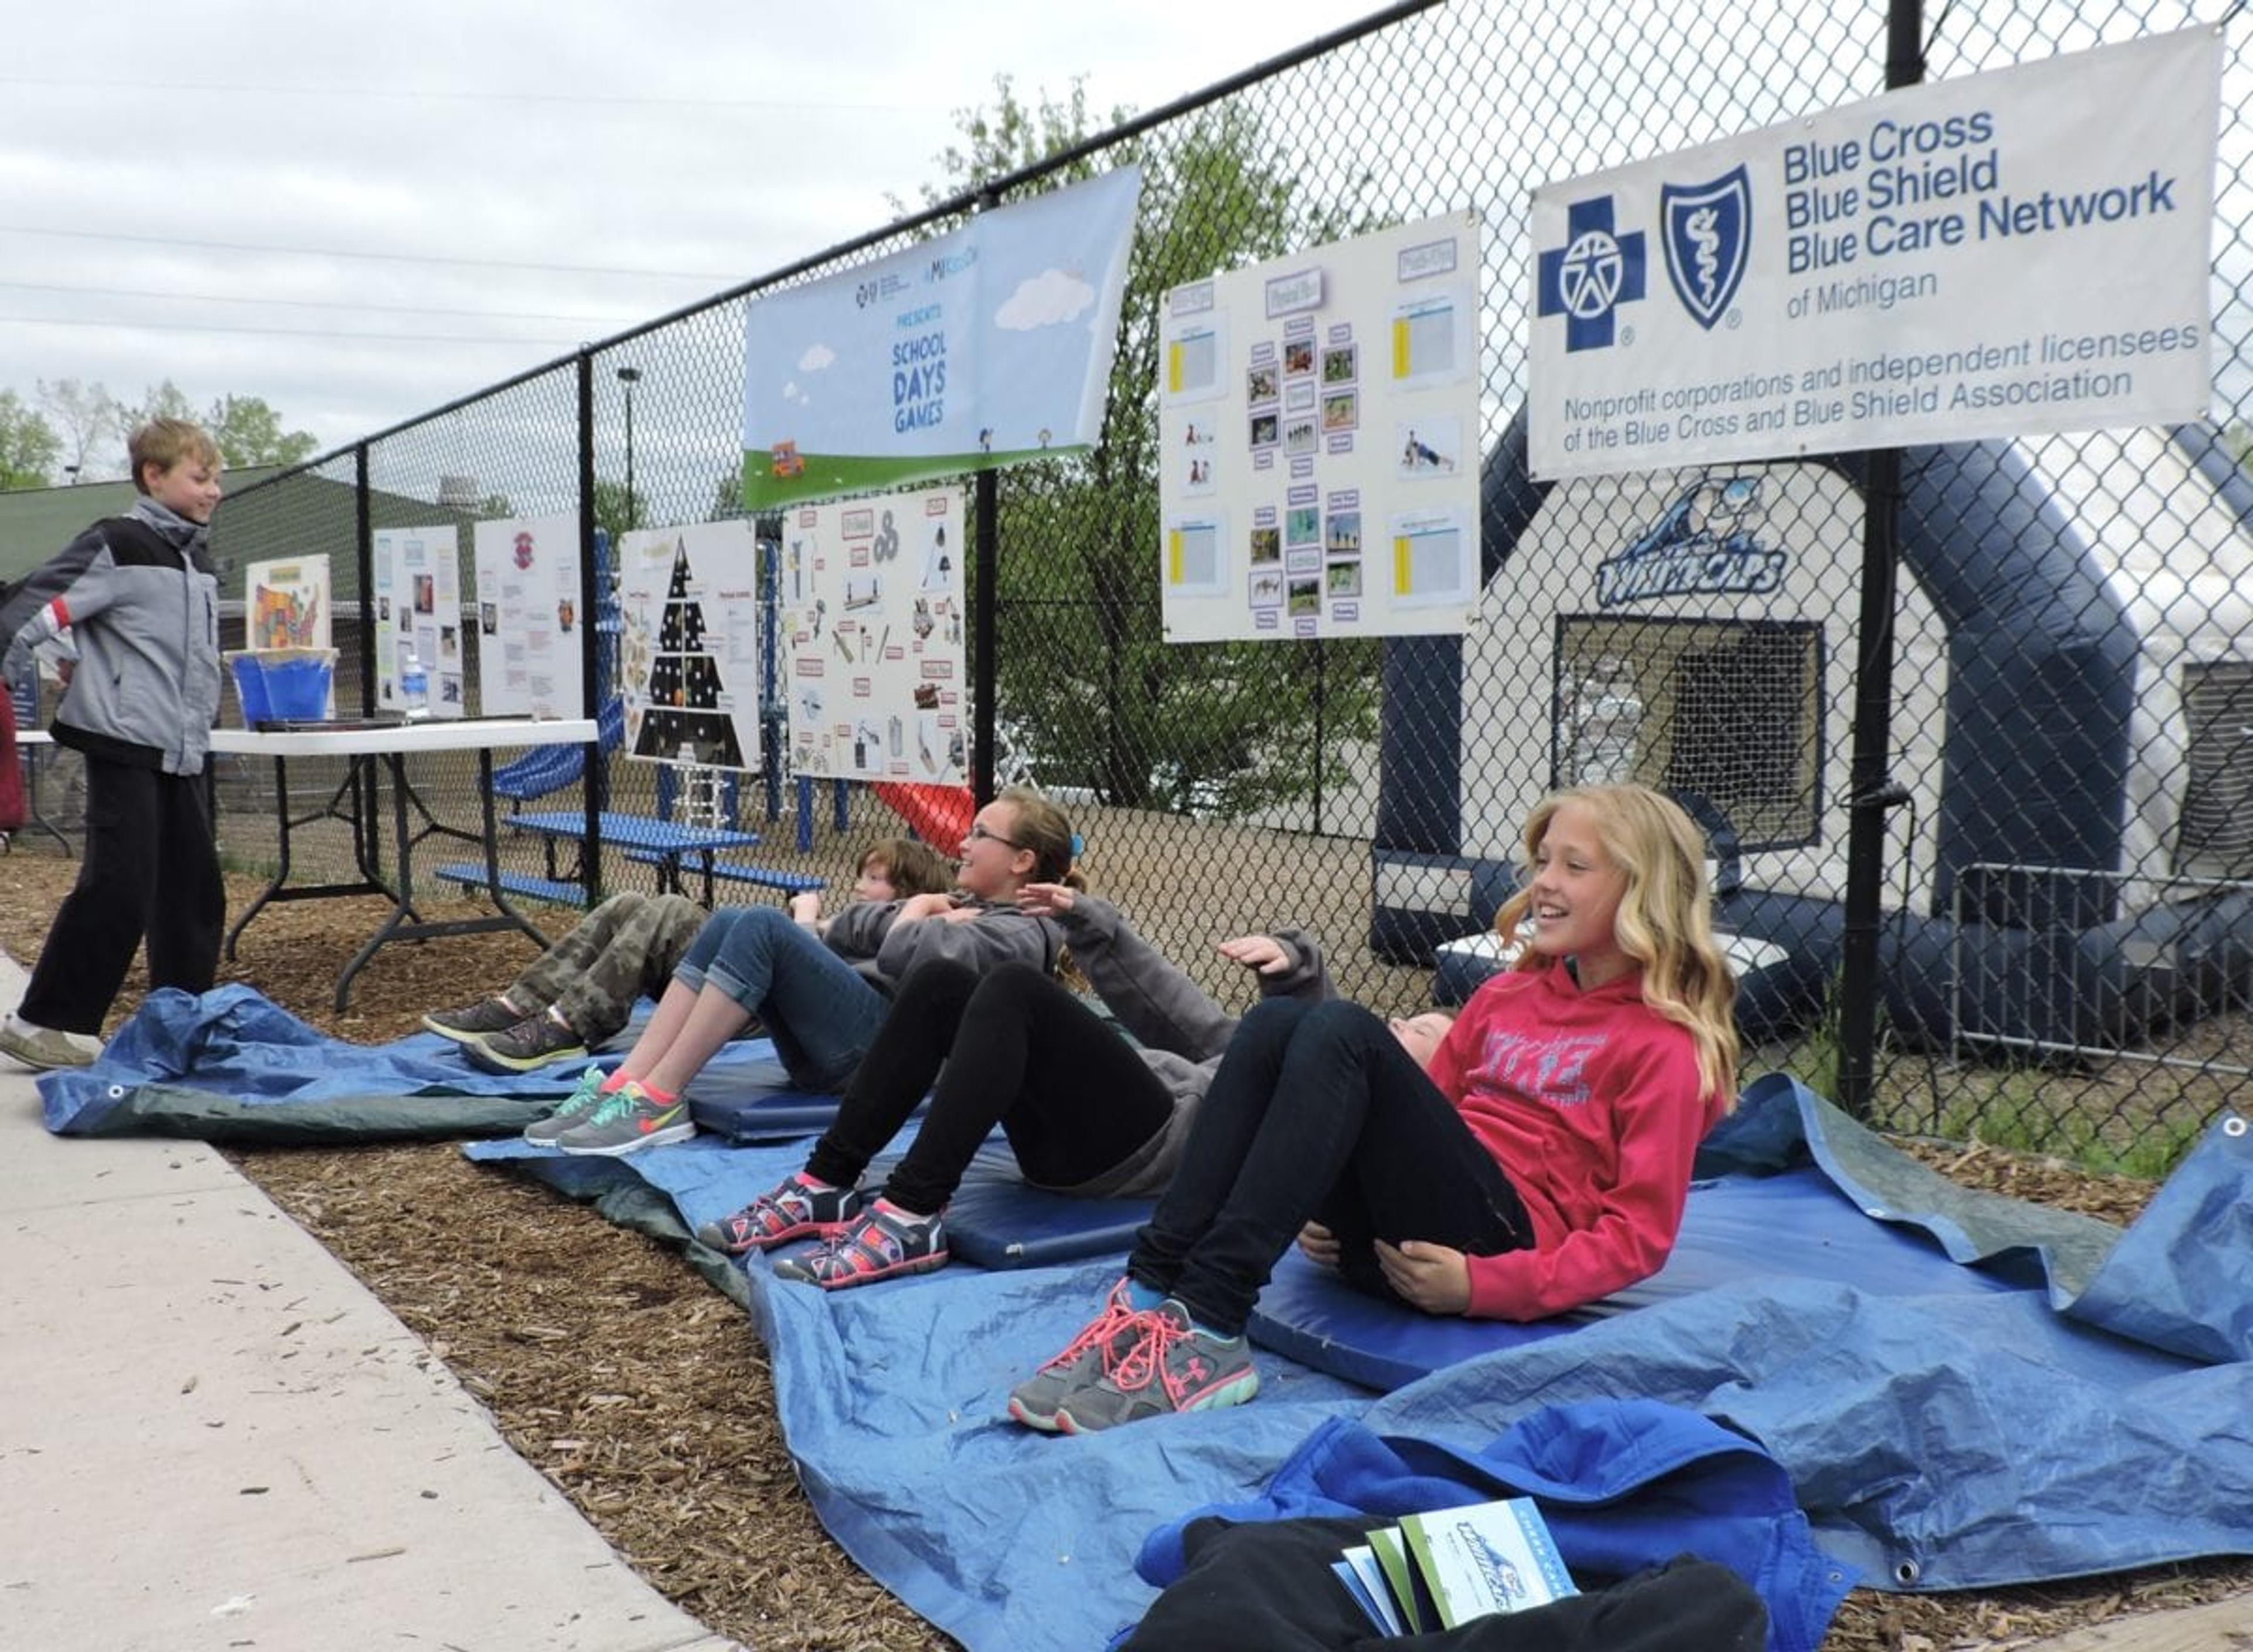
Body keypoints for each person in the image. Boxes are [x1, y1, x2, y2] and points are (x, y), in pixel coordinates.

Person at [1007, 783, 1740, 1434]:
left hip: (1487, 1247)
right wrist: (1324, 1202)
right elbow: (1431, 1111)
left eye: (1574, 867)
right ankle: (1148, 1292)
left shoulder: (1665, 1043)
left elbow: (1638, 1236)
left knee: (1342, 1027)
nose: (1543, 882)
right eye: (1542, 860)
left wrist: (1485, 1285)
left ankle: (1213, 1319)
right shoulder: (1509, 994)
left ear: (1645, 890)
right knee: (1272, 1025)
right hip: (1390, 1248)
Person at [701, 884, 1456, 1289]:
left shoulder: (1354, 1114)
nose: (1395, 1018)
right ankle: (829, 1179)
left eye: (1418, 1029)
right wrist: (1097, 925)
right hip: (1094, 1129)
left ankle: (910, 1211)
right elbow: (1172, 1011)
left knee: (1012, 991)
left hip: (1152, 1148)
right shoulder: (1272, 1047)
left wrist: (1305, 976)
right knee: (940, 982)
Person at [535, 788, 1077, 1157]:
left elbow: (897, 953)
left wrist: (916, 910)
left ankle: (662, 1100)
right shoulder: (960, 901)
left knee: (766, 927)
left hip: (878, 1058)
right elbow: (847, 928)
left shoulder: (1023, 933)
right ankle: (631, 1083)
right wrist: (922, 910)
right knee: (732, 919)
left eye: (981, 834)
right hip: (847, 1038)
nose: (963, 841)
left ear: (1022, 861)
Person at [0, 419, 226, 1072]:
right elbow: (32, 611)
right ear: (154, 477)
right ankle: (48, 1023)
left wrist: (74, 654)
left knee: (194, 891)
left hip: (182, 749)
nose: (213, 491)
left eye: (216, 480)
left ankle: (179, 1025)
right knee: (120, 884)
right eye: (199, 477)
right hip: (123, 740)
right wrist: (54, 657)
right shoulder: (118, 542)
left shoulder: (198, 561)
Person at [423, 838, 951, 1073]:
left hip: (758, 1011)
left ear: (908, 888)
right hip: (757, 979)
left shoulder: (914, 925)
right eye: (860, 875)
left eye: (874, 880)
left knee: (673, 908)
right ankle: (518, 1006)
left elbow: (833, 987)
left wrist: (807, 924)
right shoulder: (873, 918)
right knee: (630, 902)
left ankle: (568, 1027)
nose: (859, 887)